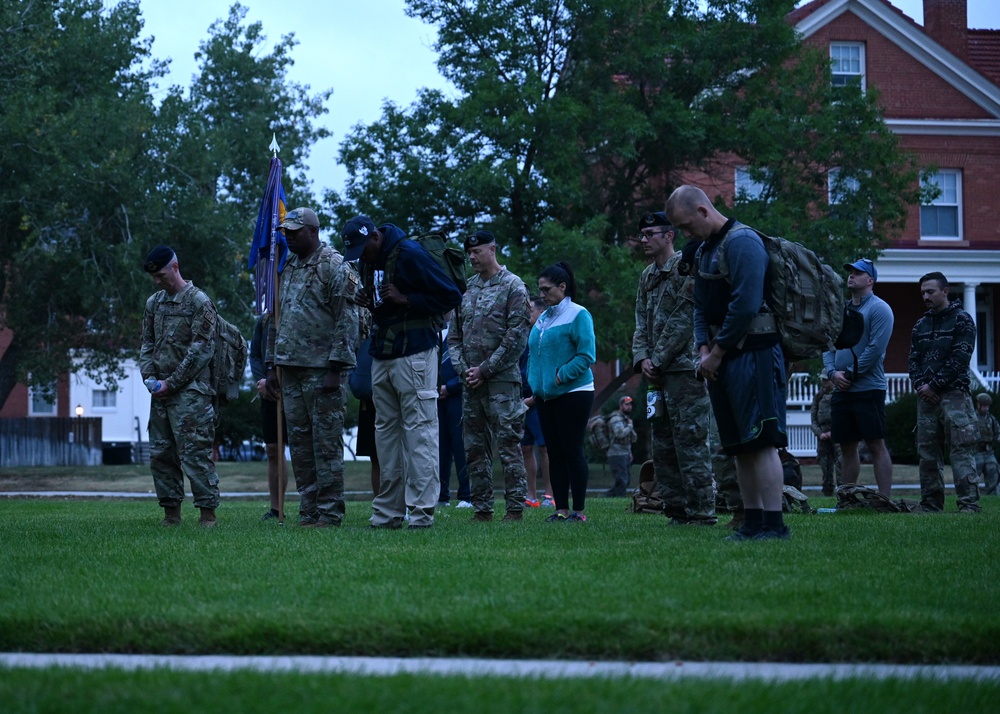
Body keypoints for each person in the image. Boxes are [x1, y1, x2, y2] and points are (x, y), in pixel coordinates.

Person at [666, 185, 789, 541]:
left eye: (687, 226)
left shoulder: (743, 242)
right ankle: (752, 521)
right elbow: (701, 307)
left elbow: (746, 304)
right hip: (721, 358)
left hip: (756, 353)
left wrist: (716, 353)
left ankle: (774, 524)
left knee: (762, 440)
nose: (686, 235)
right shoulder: (705, 250)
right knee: (738, 444)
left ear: (704, 211)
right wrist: (704, 351)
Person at [342, 215, 463, 530]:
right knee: (386, 437)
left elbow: (451, 296)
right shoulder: (369, 261)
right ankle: (387, 513)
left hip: (416, 354)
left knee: (420, 433)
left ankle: (422, 513)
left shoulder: (409, 253)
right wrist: (369, 301)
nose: (361, 257)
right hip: (383, 353)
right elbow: (386, 306)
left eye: (362, 249)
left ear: (375, 238)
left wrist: (406, 298)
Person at [264, 207, 361, 528]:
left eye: (294, 232)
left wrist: (337, 368)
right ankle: (308, 510)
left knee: (325, 444)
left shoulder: (334, 265)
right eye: (286, 233)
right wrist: (270, 365)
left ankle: (330, 513)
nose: (288, 238)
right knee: (301, 446)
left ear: (313, 231)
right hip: (289, 368)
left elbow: (348, 319)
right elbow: (276, 318)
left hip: (323, 371)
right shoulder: (289, 265)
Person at [632, 210, 717, 526]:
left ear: (669, 235)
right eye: (642, 235)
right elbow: (641, 319)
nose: (644, 240)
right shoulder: (647, 276)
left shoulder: (686, 268)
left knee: (690, 443)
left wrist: (657, 359)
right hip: (657, 374)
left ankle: (702, 511)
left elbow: (684, 318)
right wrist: (642, 359)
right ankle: (676, 510)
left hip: (683, 371)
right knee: (663, 445)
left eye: (650, 234)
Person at [448, 230, 531, 522]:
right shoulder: (466, 289)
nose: (472, 257)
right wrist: (465, 371)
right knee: (473, 446)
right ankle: (481, 507)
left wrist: (485, 369)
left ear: (493, 249)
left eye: (477, 252)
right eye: (469, 253)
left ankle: (515, 507)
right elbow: (454, 339)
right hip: (471, 382)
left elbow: (516, 338)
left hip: (501, 381)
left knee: (507, 443)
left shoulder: (514, 287)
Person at [139, 245, 221, 527]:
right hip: (159, 391)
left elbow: (201, 350)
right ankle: (171, 513)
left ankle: (207, 514)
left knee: (195, 453)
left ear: (175, 267)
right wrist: (149, 376)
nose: (157, 281)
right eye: (154, 277)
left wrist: (171, 383)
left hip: (191, 394)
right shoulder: (154, 303)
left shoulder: (199, 302)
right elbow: (147, 343)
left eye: (161, 274)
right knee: (161, 454)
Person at [526, 262, 597, 523]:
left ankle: (578, 511)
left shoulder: (579, 314)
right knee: (554, 453)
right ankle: (561, 509)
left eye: (546, 289)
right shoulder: (543, 319)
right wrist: (536, 385)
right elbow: (534, 356)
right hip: (546, 396)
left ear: (562, 287)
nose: (541, 295)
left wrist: (559, 376)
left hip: (574, 392)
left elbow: (586, 355)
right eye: (540, 290)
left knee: (572, 450)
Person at [908, 271, 981, 513]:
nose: (926, 297)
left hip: (955, 396)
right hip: (926, 398)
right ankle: (930, 504)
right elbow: (913, 360)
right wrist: (921, 386)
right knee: (927, 452)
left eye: (930, 291)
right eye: (922, 293)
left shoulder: (962, 320)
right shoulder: (920, 324)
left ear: (945, 291)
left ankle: (968, 504)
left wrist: (934, 385)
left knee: (961, 450)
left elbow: (961, 357)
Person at [822, 259, 894, 498]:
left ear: (870, 280)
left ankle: (884, 498)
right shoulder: (840, 310)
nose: (851, 276)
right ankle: (847, 497)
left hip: (868, 389)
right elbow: (828, 344)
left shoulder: (879, 309)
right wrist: (833, 373)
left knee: (875, 444)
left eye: (858, 273)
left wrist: (851, 374)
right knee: (847, 446)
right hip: (842, 390)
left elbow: (875, 349)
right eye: (850, 273)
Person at [250, 313, 289, 521]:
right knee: (273, 448)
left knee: (304, 449)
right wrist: (262, 380)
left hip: (295, 390)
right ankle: (276, 508)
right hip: (269, 392)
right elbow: (255, 354)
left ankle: (313, 506)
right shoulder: (265, 320)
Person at [520, 295, 552, 508]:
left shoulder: (545, 335)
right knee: (525, 448)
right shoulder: (520, 336)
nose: (526, 313)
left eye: (529, 310)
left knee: (545, 448)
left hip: (539, 399)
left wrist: (534, 398)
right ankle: (531, 496)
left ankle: (550, 495)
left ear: (541, 312)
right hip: (520, 400)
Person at [438, 315, 472, 508]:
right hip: (436, 398)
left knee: (461, 445)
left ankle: (466, 496)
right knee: (440, 448)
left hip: (458, 397)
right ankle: (442, 496)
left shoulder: (464, 333)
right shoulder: (436, 333)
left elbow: (468, 367)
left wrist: (449, 388)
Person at [348, 335, 380, 497]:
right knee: (376, 456)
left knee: (400, 455)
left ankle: (404, 504)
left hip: (393, 396)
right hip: (369, 399)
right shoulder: (364, 333)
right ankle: (382, 504)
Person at [809, 377, 841, 497]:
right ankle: (827, 492)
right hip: (823, 436)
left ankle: (843, 492)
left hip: (837, 434)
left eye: (827, 380)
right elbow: (813, 419)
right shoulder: (818, 397)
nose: (824, 383)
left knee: (840, 464)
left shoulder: (838, 395)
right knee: (825, 466)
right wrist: (820, 433)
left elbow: (843, 417)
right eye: (823, 380)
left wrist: (834, 431)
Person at [605, 396, 637, 498]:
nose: (629, 407)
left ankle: (608, 497)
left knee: (625, 481)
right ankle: (618, 499)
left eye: (630, 404)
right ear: (620, 406)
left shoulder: (626, 419)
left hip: (625, 453)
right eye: (626, 404)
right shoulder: (616, 419)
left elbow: (629, 439)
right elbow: (620, 434)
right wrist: (630, 426)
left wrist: (630, 453)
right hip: (616, 453)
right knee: (622, 480)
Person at [974, 393, 1000, 496]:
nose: (986, 408)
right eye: (984, 405)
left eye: (987, 406)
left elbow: (997, 434)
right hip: (975, 453)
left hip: (989, 453)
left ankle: (992, 496)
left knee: (993, 474)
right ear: (978, 405)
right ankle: (971, 498)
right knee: (972, 477)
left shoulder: (992, 419)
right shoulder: (972, 418)